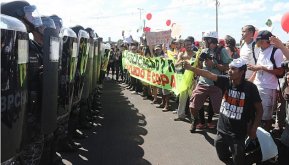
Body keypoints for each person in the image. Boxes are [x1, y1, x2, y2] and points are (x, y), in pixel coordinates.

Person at [183, 58, 263, 165]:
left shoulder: (250, 88)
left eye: (233, 69)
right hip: (222, 130)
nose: (229, 71)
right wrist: (190, 68)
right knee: (222, 156)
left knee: (238, 161)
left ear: (242, 72)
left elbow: (260, 110)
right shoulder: (226, 81)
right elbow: (209, 74)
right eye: (229, 68)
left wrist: (253, 129)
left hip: (238, 135)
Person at [1, 1, 46, 164]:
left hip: (31, 113)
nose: (33, 17)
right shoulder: (4, 43)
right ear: (15, 15)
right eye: (28, 13)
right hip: (10, 117)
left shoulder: (32, 45)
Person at [188, 31, 231, 132]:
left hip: (216, 84)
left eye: (205, 39)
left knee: (219, 109)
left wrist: (214, 64)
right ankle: (196, 120)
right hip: (203, 82)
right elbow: (199, 65)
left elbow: (228, 67)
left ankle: (223, 126)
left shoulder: (222, 51)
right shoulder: (204, 50)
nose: (203, 41)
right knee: (193, 105)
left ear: (210, 40)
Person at [247, 30, 284, 132]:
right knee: (256, 113)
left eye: (257, 41)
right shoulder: (261, 50)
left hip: (269, 88)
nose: (256, 43)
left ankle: (265, 138)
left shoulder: (276, 51)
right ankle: (255, 136)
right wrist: (249, 83)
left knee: (266, 116)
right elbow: (257, 69)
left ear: (263, 40)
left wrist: (262, 68)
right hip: (257, 85)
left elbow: (280, 71)